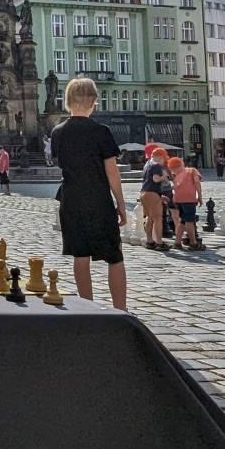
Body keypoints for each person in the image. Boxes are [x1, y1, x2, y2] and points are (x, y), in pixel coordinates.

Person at [49, 78, 128, 311]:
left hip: (71, 199)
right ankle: (120, 310)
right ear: (94, 102)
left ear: (67, 102)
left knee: (80, 256)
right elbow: (112, 171)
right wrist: (121, 204)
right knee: (114, 256)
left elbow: (59, 162)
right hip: (98, 199)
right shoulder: (101, 132)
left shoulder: (58, 132)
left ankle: (88, 308)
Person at [169, 156, 204, 250]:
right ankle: (193, 243)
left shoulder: (176, 176)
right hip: (189, 200)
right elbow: (197, 182)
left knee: (182, 221)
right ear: (182, 163)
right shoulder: (192, 170)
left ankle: (177, 242)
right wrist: (200, 196)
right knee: (189, 221)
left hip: (178, 200)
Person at [140, 147, 169, 250]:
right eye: (164, 159)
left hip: (144, 193)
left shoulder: (147, 165)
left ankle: (149, 241)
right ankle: (159, 243)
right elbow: (155, 179)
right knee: (158, 218)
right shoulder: (156, 165)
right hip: (152, 193)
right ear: (160, 157)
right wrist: (164, 177)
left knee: (149, 218)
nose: (164, 161)